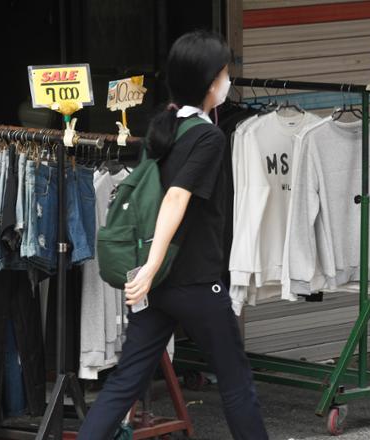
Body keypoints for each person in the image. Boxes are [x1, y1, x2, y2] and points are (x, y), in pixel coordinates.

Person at [76, 30, 269, 440]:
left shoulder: (163, 129)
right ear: (209, 83)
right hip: (193, 280)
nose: (227, 81)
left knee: (125, 380)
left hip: (158, 286)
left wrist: (149, 271)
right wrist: (152, 266)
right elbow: (175, 199)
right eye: (224, 74)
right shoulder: (207, 137)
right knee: (236, 383)